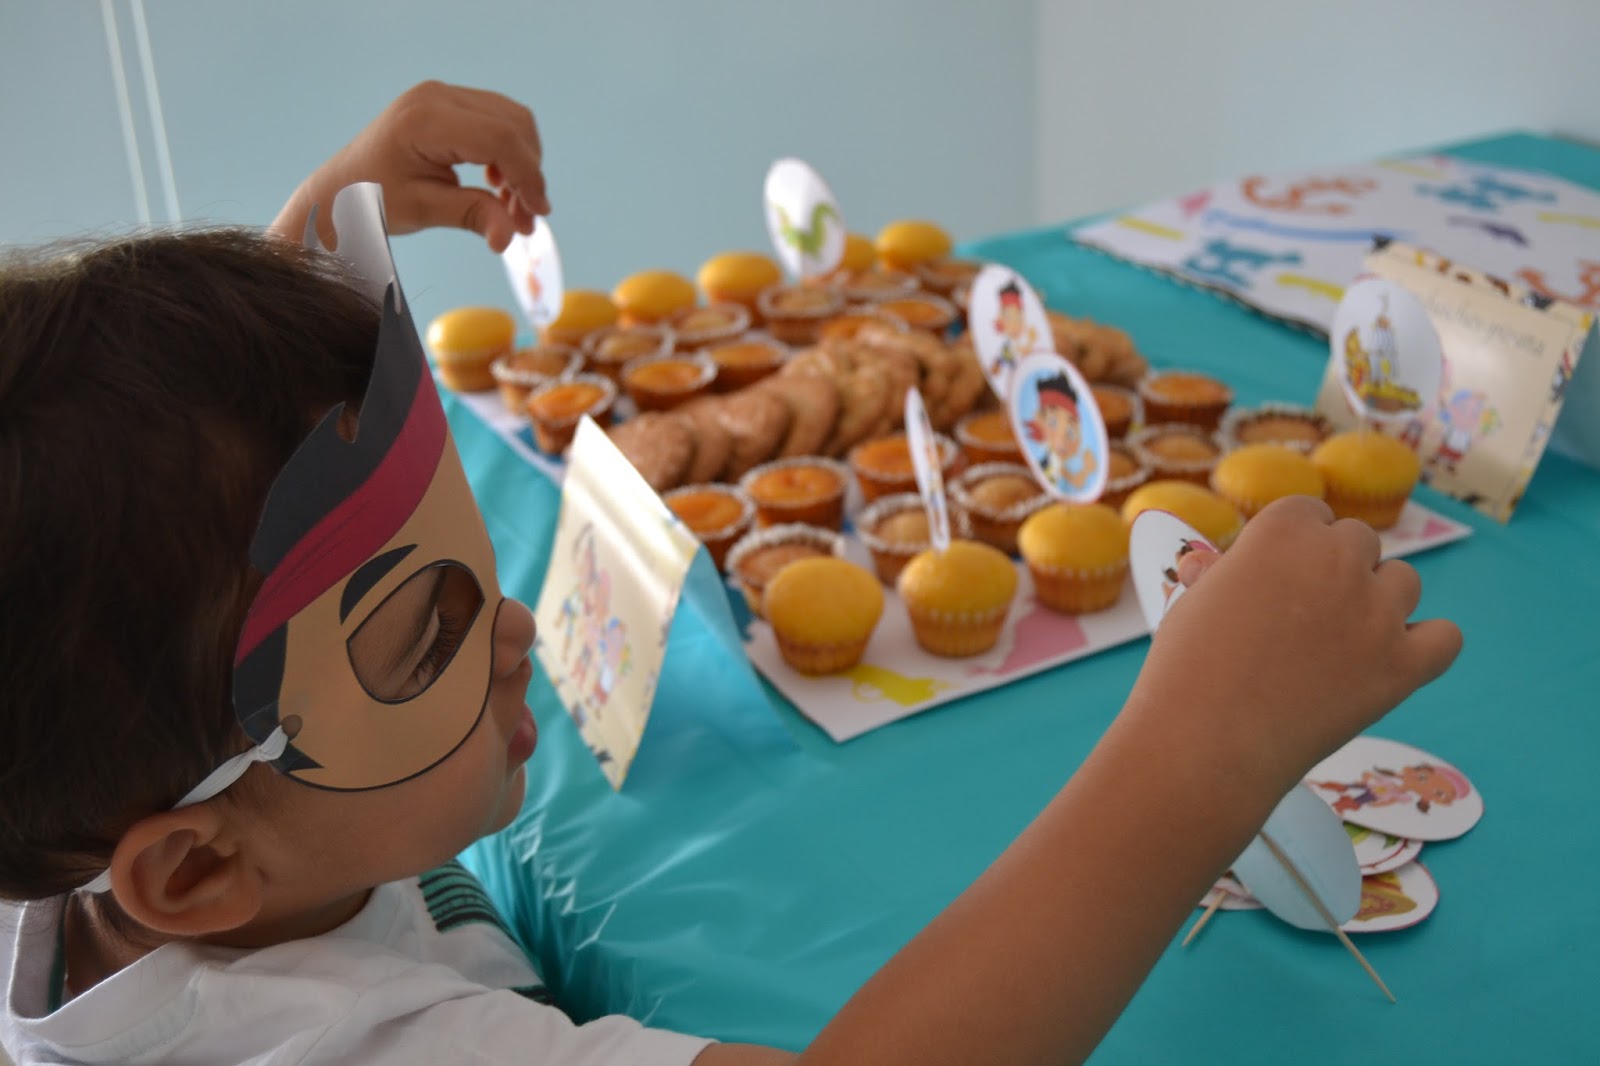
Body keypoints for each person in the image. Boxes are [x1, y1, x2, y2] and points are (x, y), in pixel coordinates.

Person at [0, 81, 1462, 1066]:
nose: (515, 626)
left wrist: (316, 251)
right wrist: (1201, 752)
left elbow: (182, 565)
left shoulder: (75, 790)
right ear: (193, 868)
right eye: (425, 635)